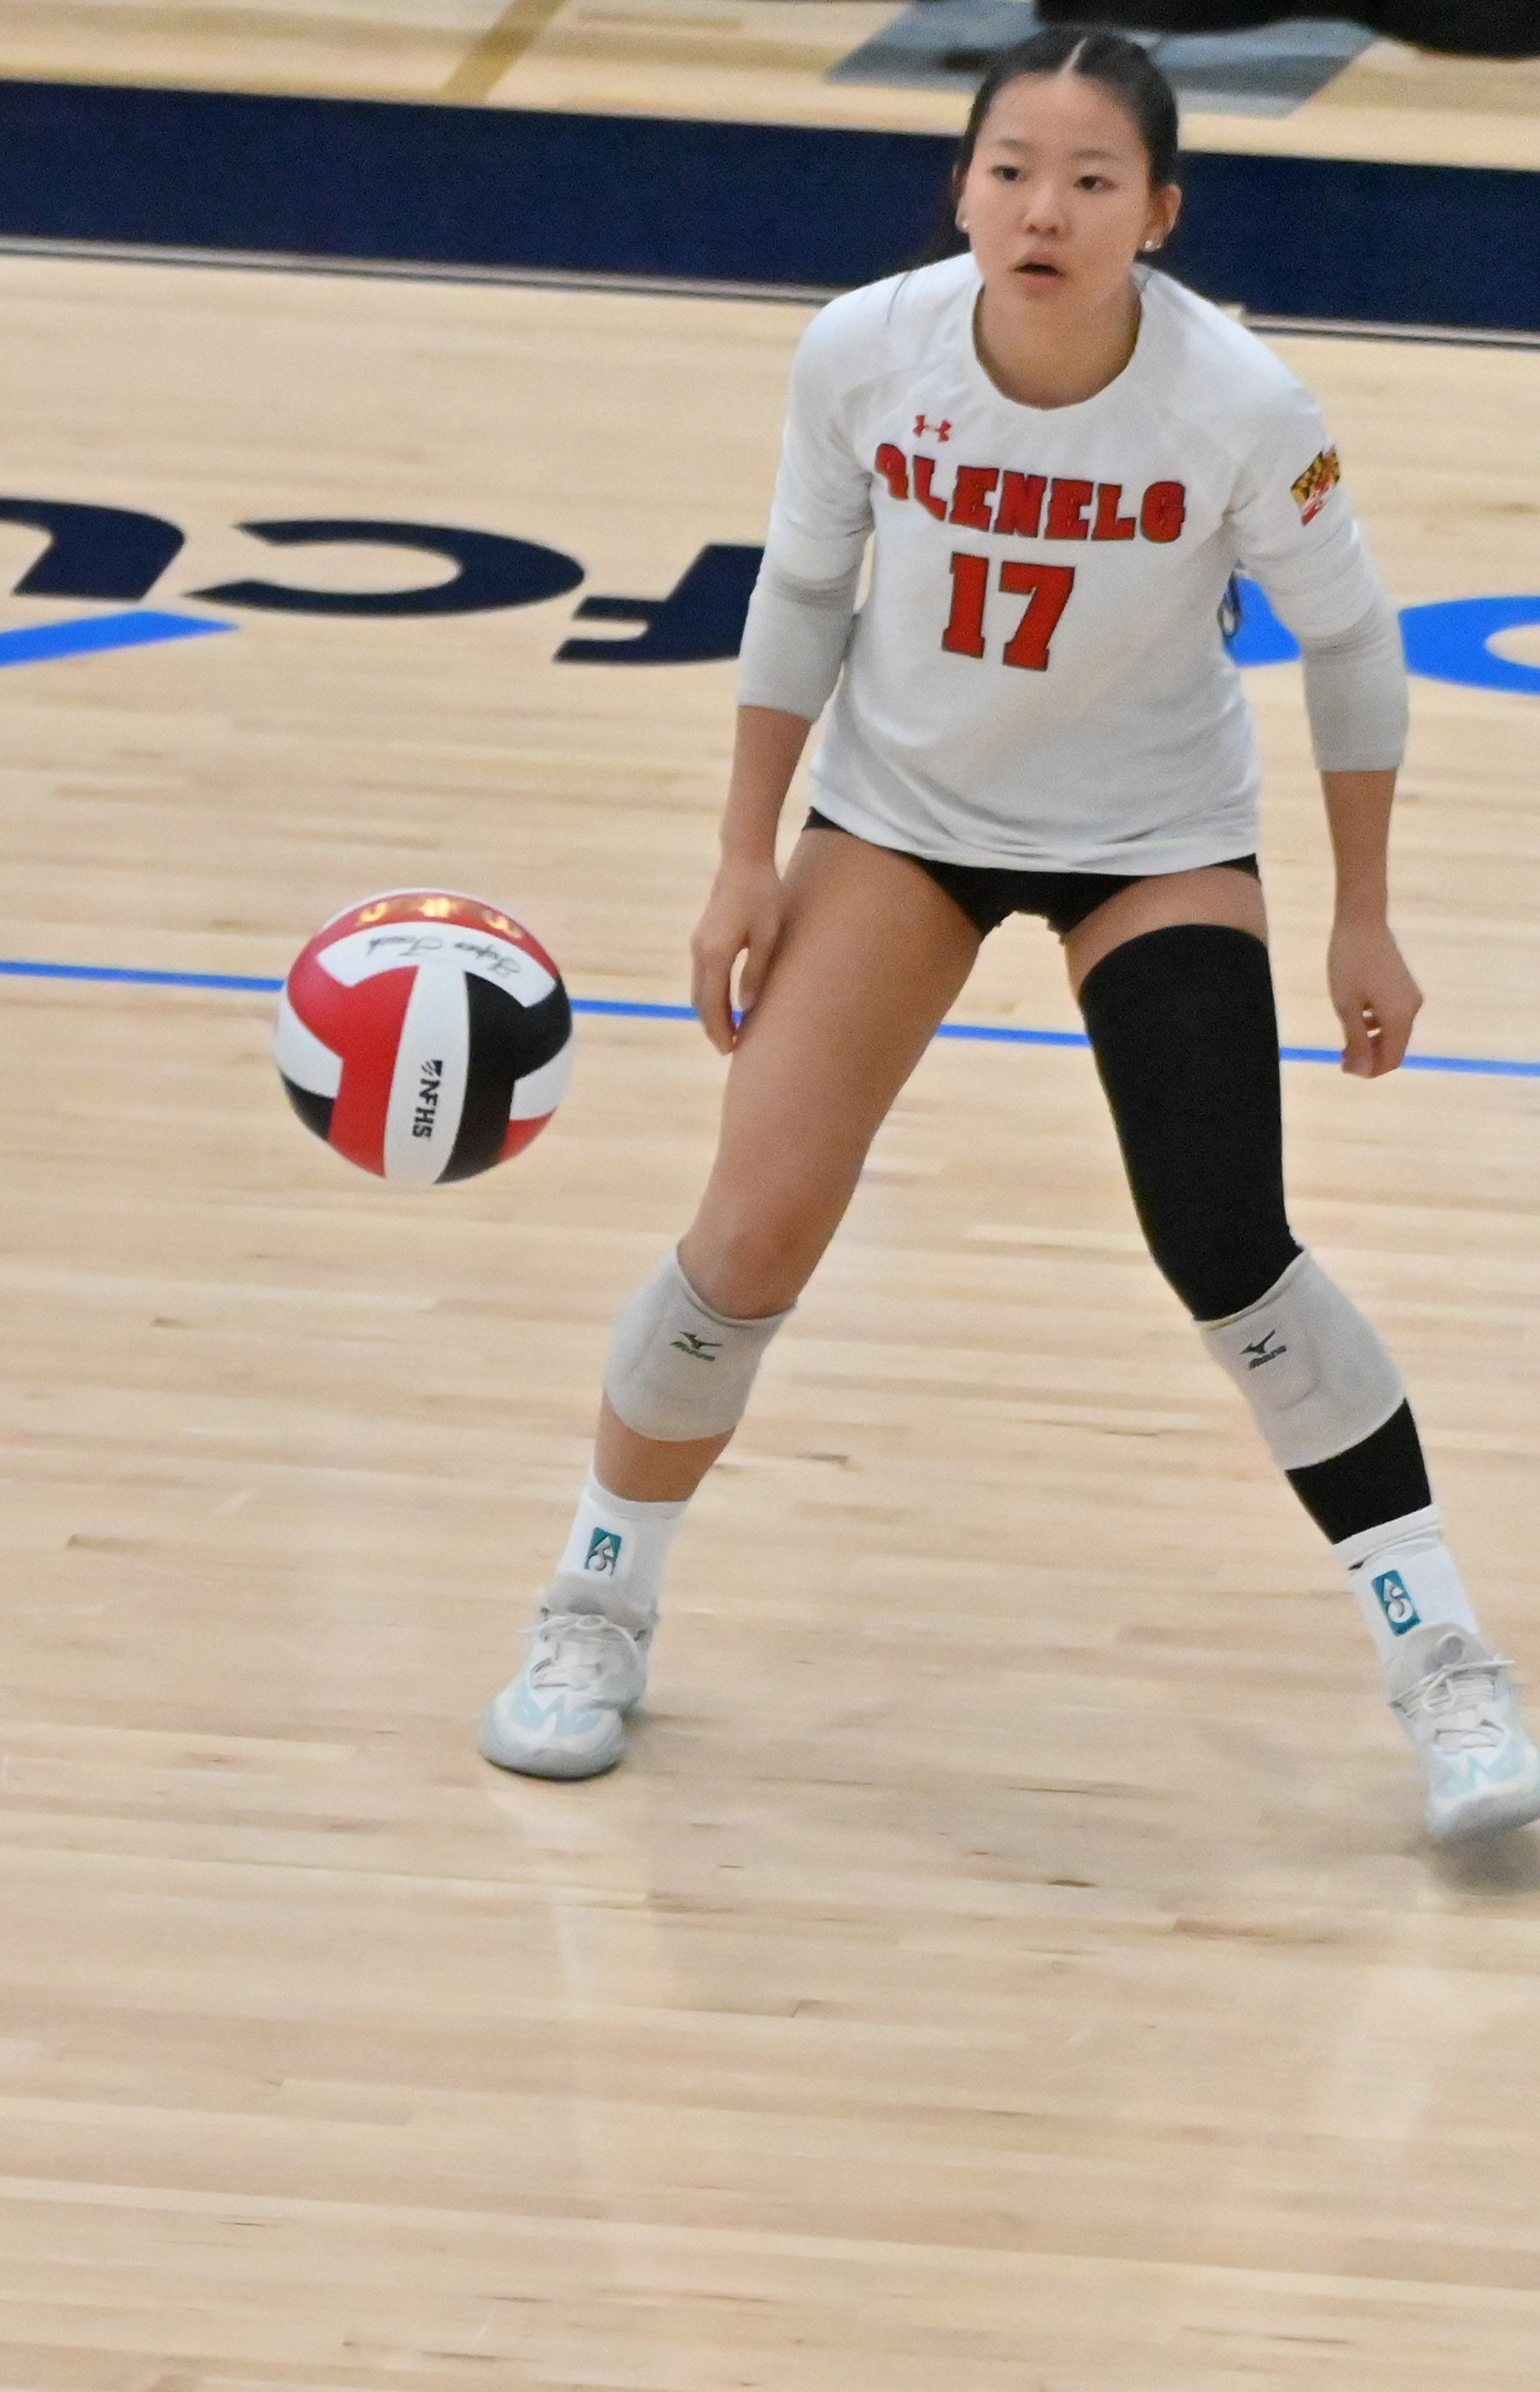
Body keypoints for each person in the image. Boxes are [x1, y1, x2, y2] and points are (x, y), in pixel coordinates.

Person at [479, 25, 1539, 1843]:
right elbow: (802, 590)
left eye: (1088, 181)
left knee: (1228, 1247)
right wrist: (744, 854)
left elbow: (1352, 648)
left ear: (1158, 213)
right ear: (957, 185)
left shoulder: (1238, 404)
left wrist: (1360, 912)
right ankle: (592, 1599)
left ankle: (1443, 1662)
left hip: (1152, 838)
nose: (1040, 209)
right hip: (902, 819)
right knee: (746, 1229)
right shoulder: (861, 353)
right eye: (1006, 171)